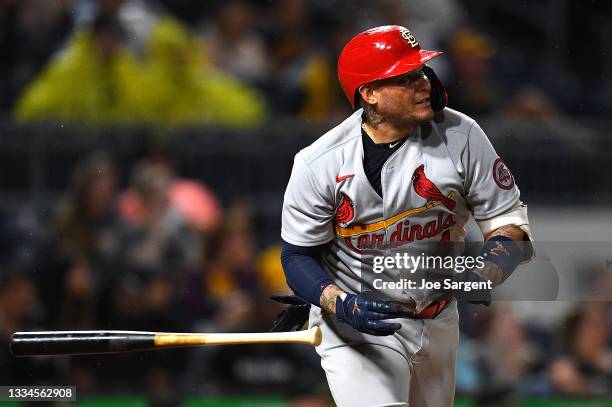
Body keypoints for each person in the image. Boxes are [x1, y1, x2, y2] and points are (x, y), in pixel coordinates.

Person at [279, 25, 534, 406]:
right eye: (406, 77)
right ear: (370, 94)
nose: (424, 84)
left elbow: (509, 224)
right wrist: (336, 301)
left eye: (422, 72)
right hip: (357, 324)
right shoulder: (318, 162)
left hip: (439, 318)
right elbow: (297, 255)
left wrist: (487, 271)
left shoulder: (462, 136)